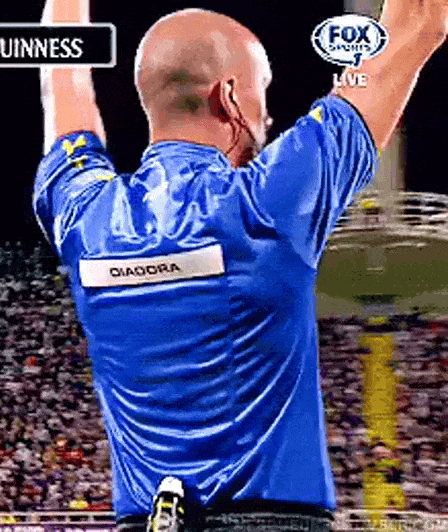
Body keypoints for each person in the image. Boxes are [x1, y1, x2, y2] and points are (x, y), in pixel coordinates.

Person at [34, 0, 447, 530]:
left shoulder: (86, 215)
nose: (268, 117)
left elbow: (62, 79)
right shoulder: (271, 199)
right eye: (261, 93)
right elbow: (422, 20)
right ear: (228, 97)